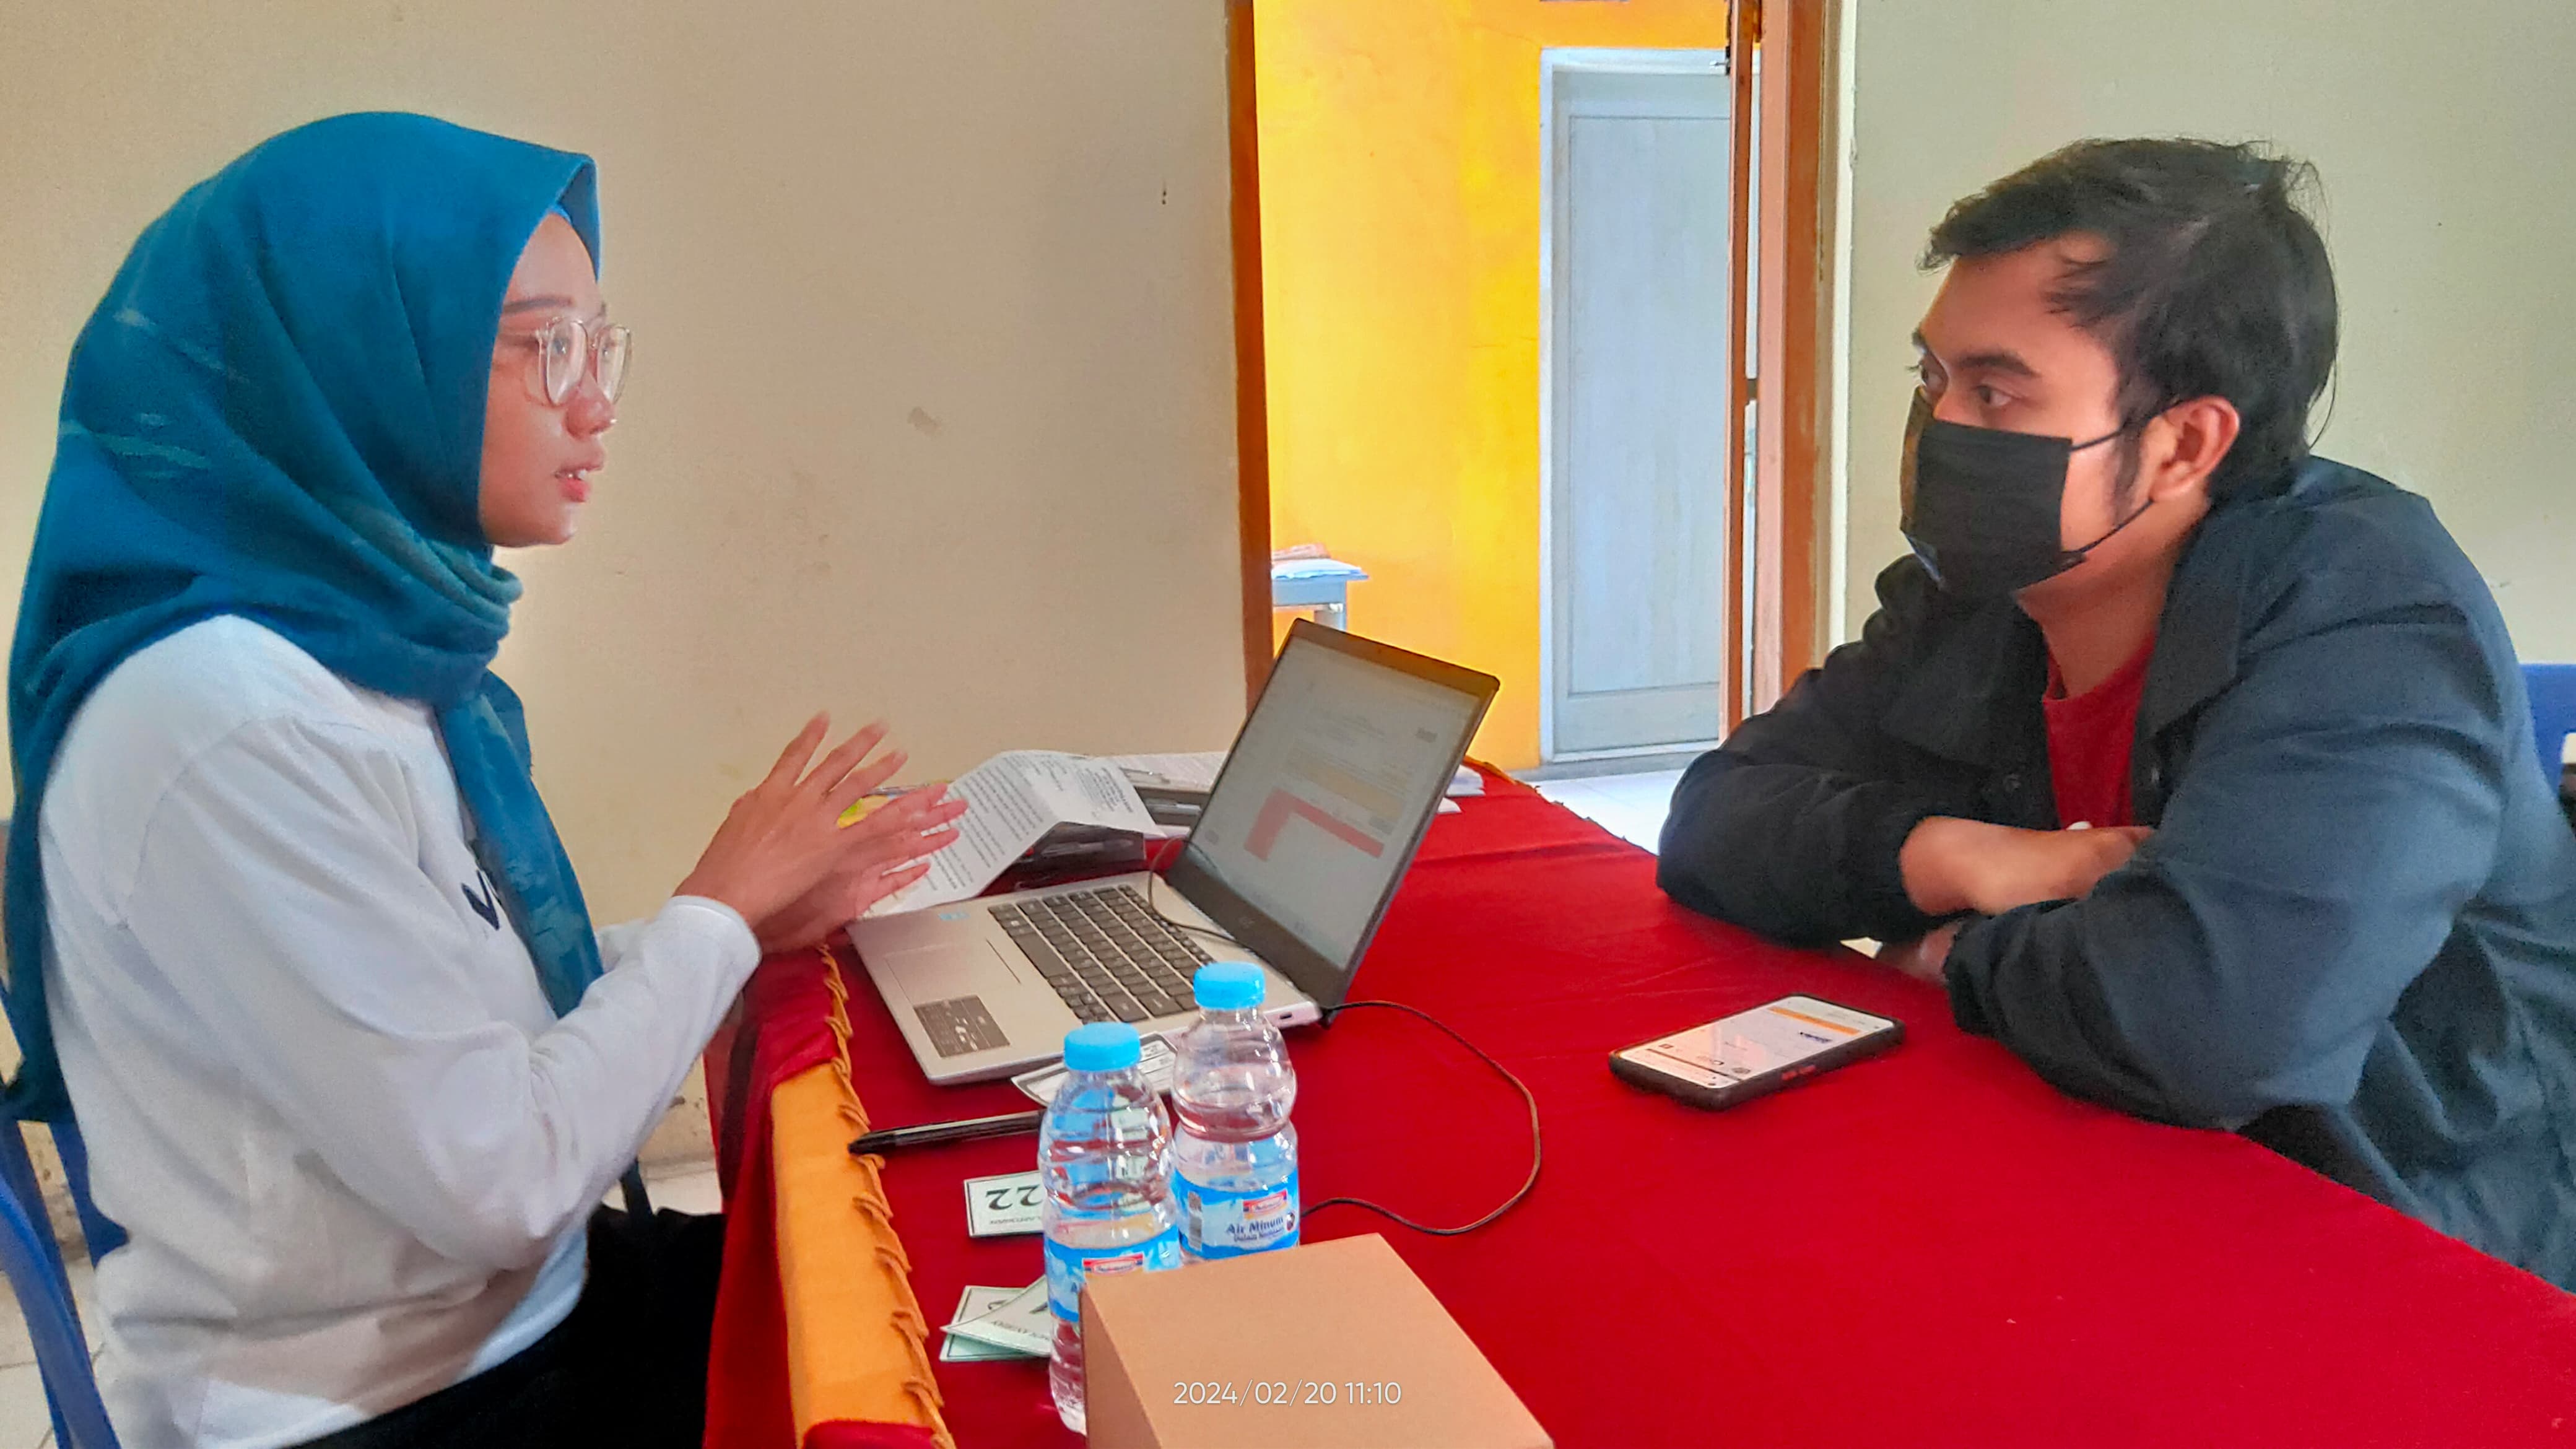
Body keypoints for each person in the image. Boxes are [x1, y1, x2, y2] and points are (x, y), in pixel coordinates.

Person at [2, 113, 967, 1448]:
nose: (596, 403)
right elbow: (503, 1180)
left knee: (941, 1280)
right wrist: (716, 916)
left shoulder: (352, 653)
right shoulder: (225, 723)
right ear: (351, 359)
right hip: (393, 1406)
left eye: (599, 346)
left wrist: (743, 926)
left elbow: (450, 1018)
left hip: (501, 1316)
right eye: (541, 348)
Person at [1657, 138, 2576, 1289]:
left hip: (2420, 1249)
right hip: (2106, 1186)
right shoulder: (1978, 596)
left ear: (2184, 443)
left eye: (1996, 391)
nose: (1940, 426)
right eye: (1933, 380)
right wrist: (1961, 857)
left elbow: (2208, 1022)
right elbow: (1713, 822)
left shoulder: (2373, 616)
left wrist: (1950, 952)